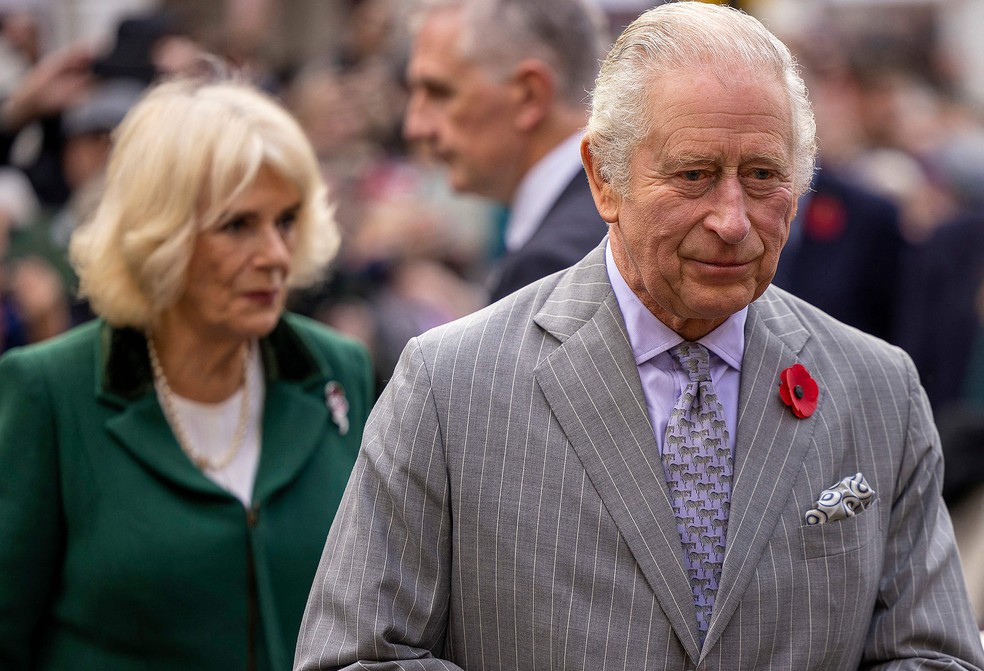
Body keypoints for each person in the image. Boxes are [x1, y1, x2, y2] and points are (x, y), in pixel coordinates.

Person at [294, 3, 984, 669]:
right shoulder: (450, 385)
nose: (733, 219)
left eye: (764, 176)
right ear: (604, 178)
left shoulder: (878, 388)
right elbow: (357, 652)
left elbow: (930, 650)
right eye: (695, 175)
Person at [0, 76, 374, 670]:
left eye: (285, 220)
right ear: (160, 234)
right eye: (237, 225)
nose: (276, 255)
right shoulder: (49, 391)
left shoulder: (335, 371)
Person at [402, 0, 609, 302]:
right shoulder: (598, 225)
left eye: (440, 92)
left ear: (530, 95)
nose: (416, 127)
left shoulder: (554, 266)